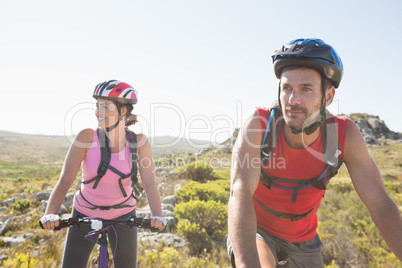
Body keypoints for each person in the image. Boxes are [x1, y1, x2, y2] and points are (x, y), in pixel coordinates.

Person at [227, 39, 402, 267]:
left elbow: (379, 203)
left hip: (305, 242)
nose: (293, 100)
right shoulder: (260, 124)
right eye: (286, 88)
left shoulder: (344, 134)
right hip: (256, 232)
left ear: (328, 96)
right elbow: (239, 192)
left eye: (306, 89)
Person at [40, 80, 166, 268]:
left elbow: (149, 183)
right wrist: (50, 214)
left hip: (124, 216)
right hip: (84, 213)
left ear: (123, 110)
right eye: (97, 106)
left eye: (105, 106)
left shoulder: (139, 142)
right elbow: (66, 179)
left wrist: (158, 216)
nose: (98, 112)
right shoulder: (86, 137)